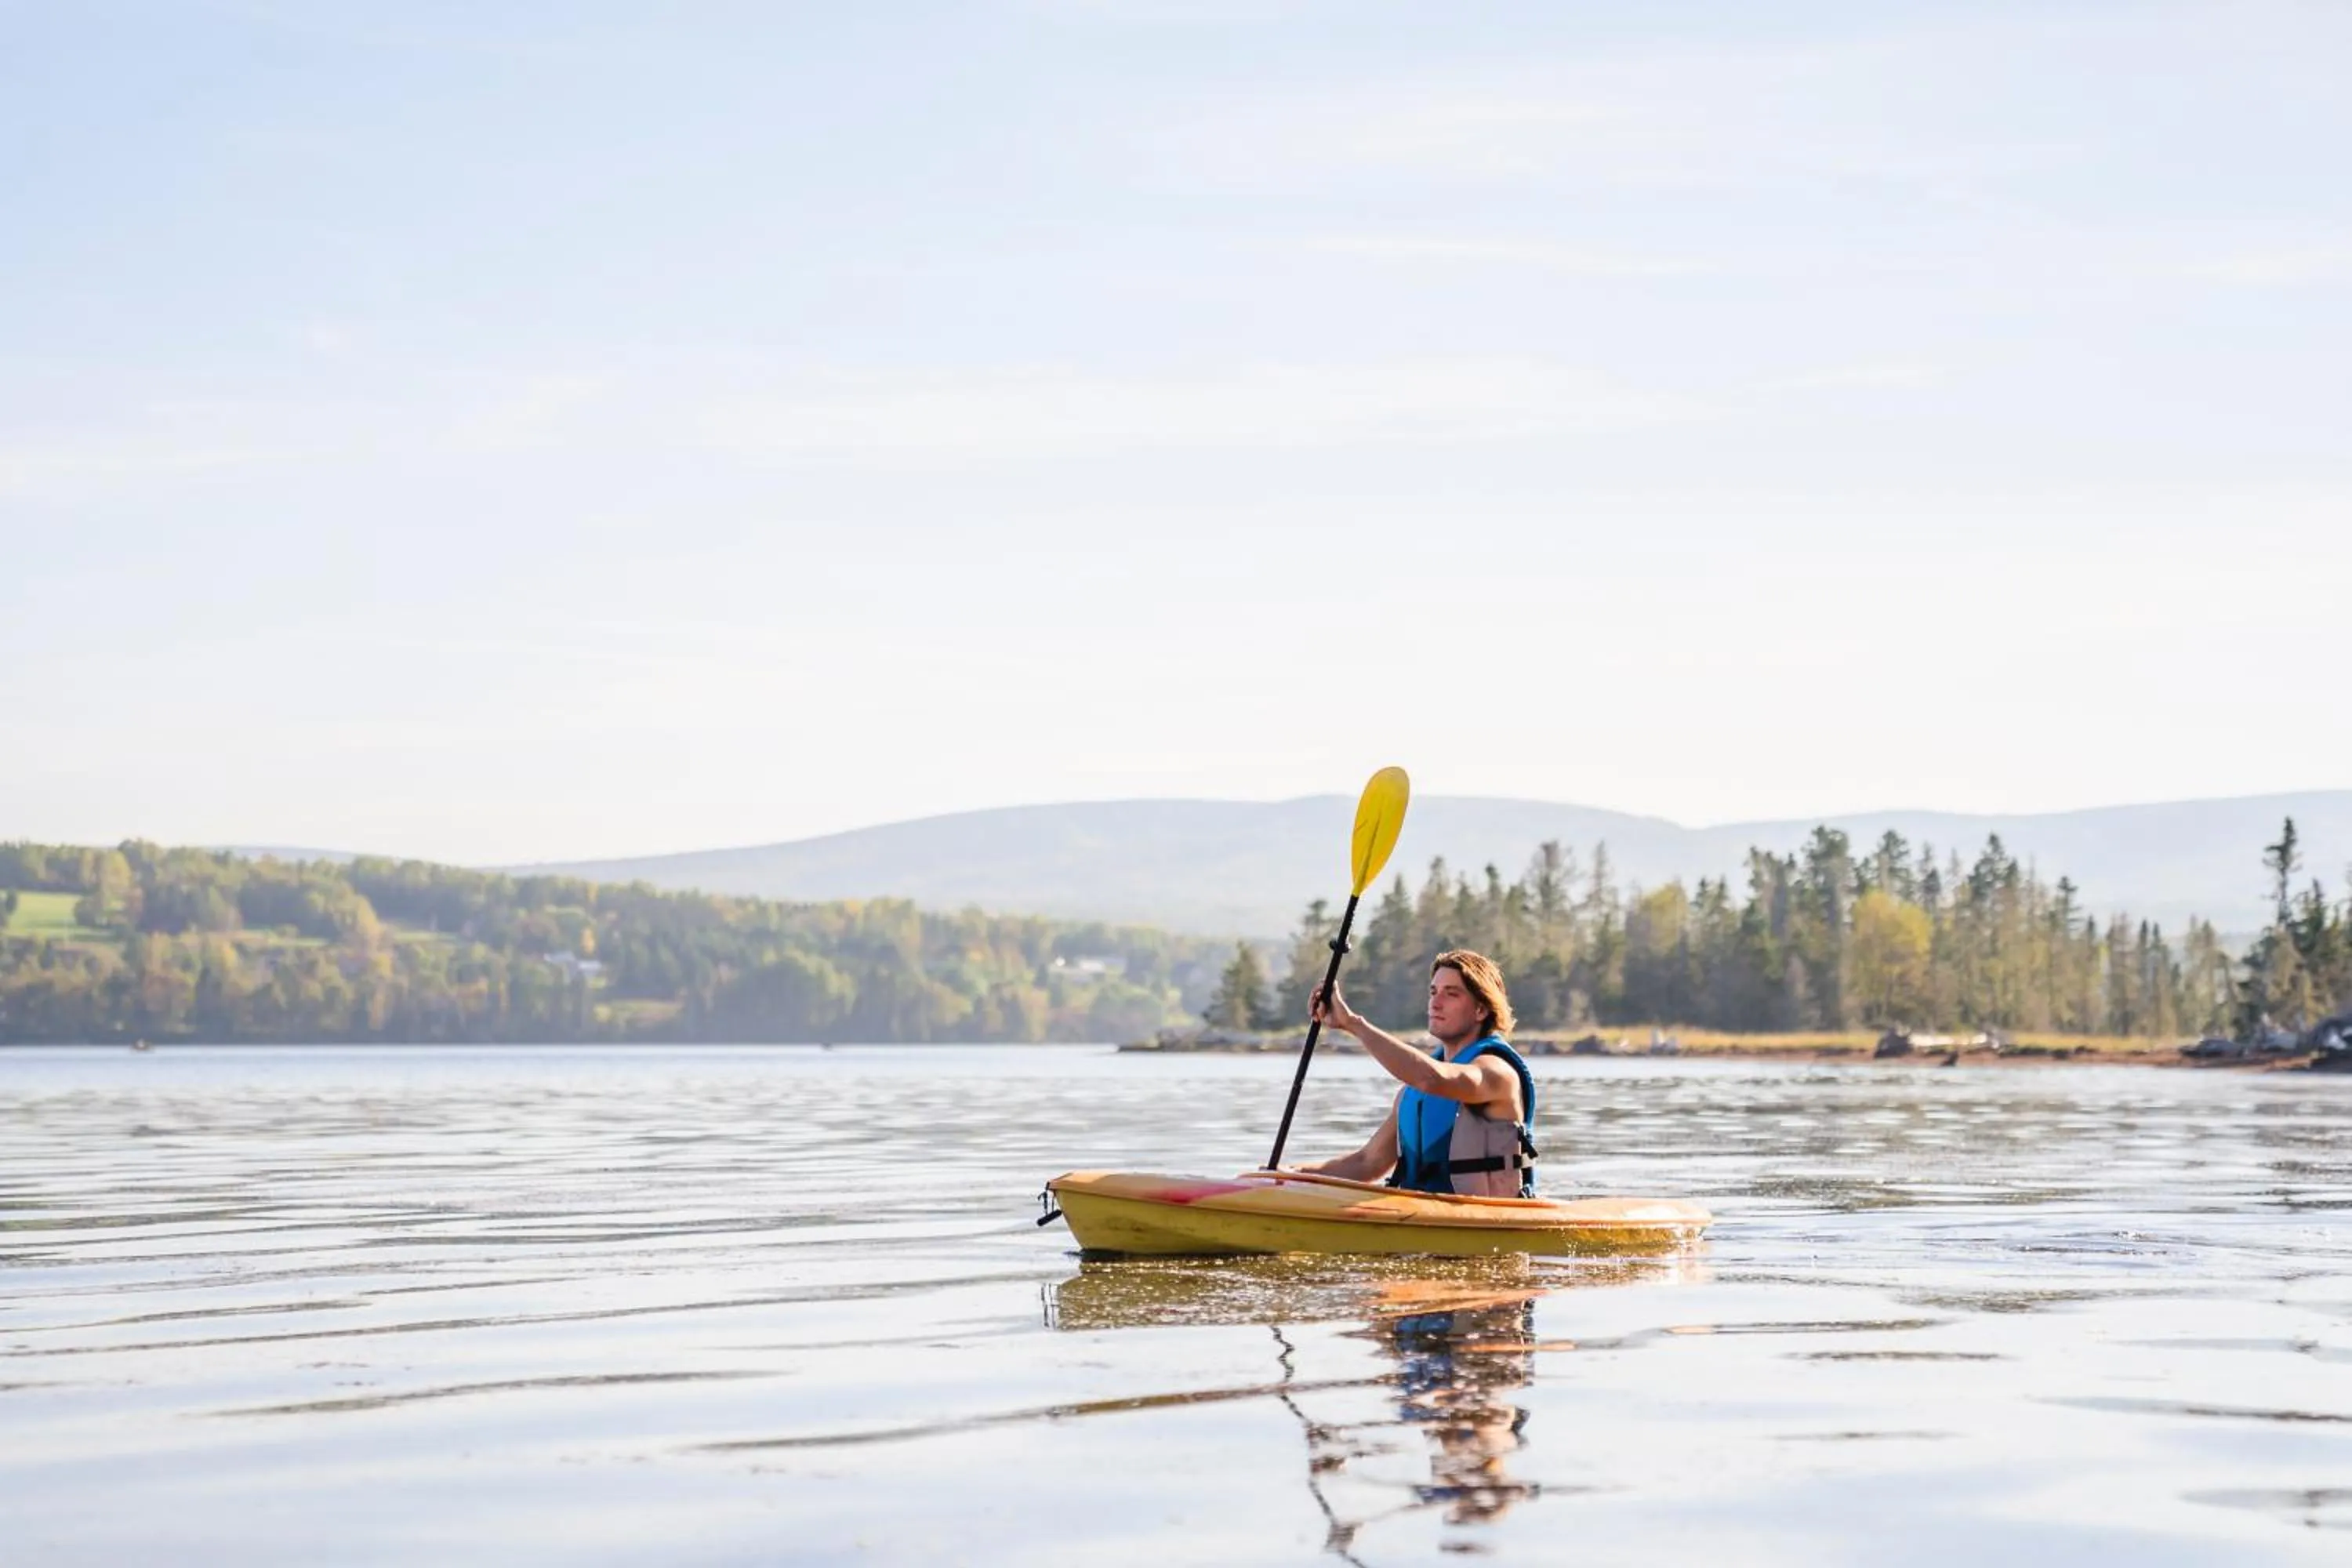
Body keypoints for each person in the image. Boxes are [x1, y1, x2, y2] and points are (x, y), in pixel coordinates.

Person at [1298, 949, 1540, 1197]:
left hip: (1489, 1221)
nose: (1436, 1002)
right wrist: (1290, 1174)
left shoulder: (1497, 1073)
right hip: (1421, 1214)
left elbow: (1432, 1078)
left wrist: (1352, 1024)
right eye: (1433, 992)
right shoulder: (1411, 1093)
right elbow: (1367, 1163)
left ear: (1480, 1010)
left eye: (1452, 994)